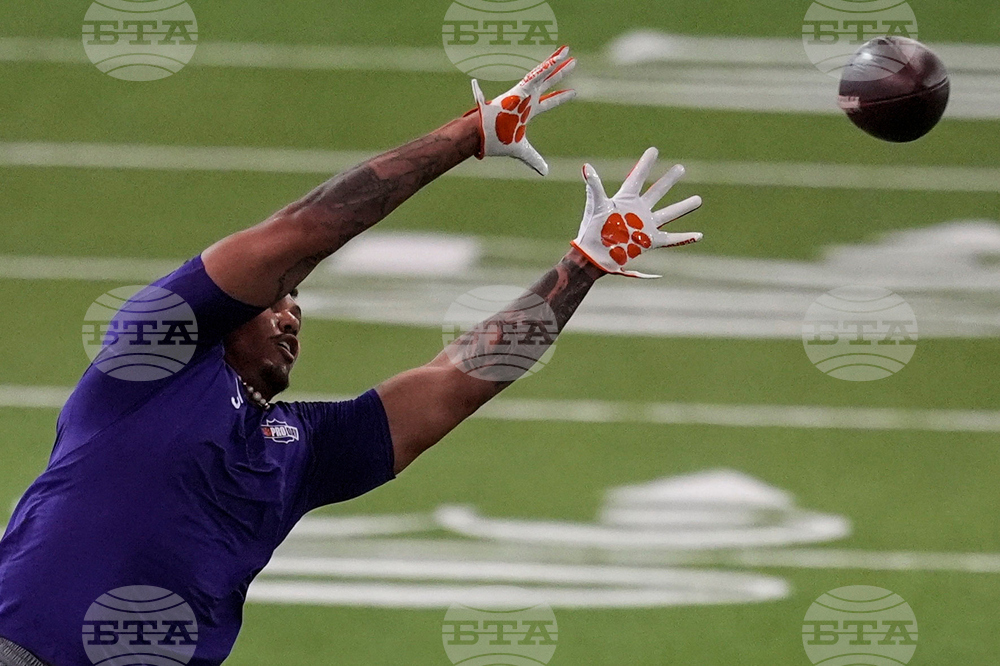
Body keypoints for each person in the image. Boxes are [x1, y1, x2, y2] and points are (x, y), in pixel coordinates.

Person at [0, 47, 702, 666]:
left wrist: (582, 265)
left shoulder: (295, 451)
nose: (294, 311)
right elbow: (303, 231)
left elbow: (453, 381)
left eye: (299, 304)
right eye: (282, 298)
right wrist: (468, 137)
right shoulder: (153, 358)